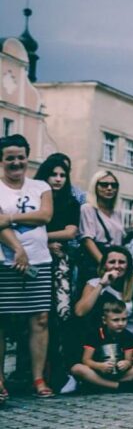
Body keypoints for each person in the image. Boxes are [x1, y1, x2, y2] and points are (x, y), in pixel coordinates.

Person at [0, 134, 55, 399]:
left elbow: (45, 215)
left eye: (20, 157)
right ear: (1, 159)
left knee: (40, 319)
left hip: (39, 262)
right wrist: (17, 249)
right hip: (4, 263)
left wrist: (7, 218)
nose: (16, 162)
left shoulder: (40, 186)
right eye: (10, 157)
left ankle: (38, 378)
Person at [73, 246, 133, 385]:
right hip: (100, 342)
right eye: (112, 262)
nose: (117, 266)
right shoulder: (93, 284)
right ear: (105, 264)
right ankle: (116, 385)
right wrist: (101, 285)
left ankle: (97, 383)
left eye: (122, 262)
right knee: (78, 368)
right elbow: (80, 311)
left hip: (128, 342)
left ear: (128, 265)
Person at [37, 155, 80, 343]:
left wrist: (44, 236)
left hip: (60, 262)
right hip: (35, 259)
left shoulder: (71, 202)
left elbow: (70, 233)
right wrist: (44, 242)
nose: (58, 179)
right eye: (53, 174)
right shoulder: (34, 199)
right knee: (36, 316)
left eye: (62, 175)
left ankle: (55, 368)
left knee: (60, 314)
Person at [70, 300, 133, 391]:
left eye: (124, 319)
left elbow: (128, 360)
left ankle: (100, 385)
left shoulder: (128, 336)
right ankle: (117, 386)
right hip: (99, 371)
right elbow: (86, 360)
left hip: (119, 373)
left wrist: (126, 363)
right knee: (77, 368)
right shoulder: (95, 334)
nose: (120, 323)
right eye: (115, 320)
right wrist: (99, 366)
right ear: (104, 320)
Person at [79, 171, 126, 267]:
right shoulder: (88, 208)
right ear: (95, 186)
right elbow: (87, 240)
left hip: (115, 261)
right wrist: (104, 264)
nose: (109, 188)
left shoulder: (117, 212)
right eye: (104, 185)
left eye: (114, 185)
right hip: (96, 263)